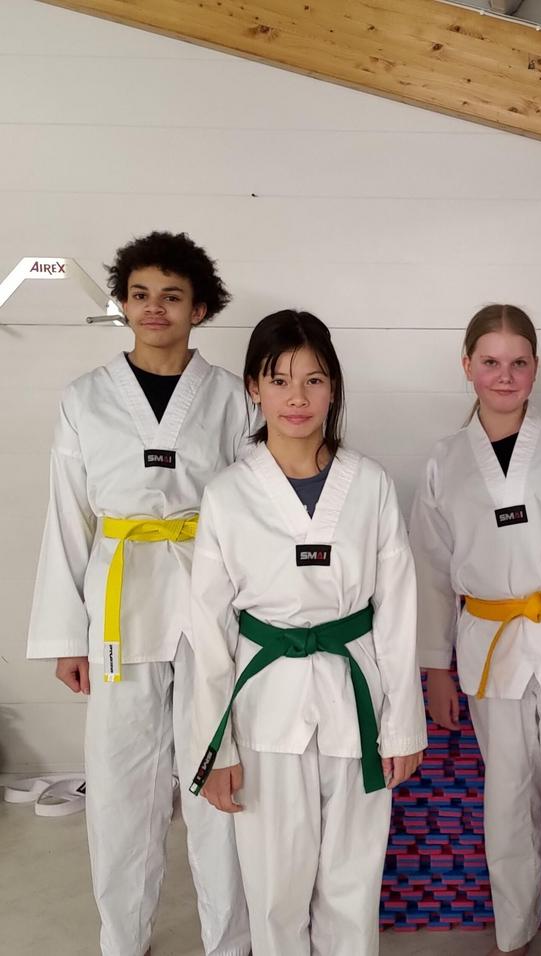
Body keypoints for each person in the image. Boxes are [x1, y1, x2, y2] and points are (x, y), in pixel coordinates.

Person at [26, 230, 251, 956]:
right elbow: (68, 517)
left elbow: (256, 509)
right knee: (123, 780)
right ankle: (123, 938)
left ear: (200, 308)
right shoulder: (85, 398)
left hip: (210, 597)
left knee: (218, 767)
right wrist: (66, 635)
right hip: (118, 604)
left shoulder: (231, 397)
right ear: (122, 303)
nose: (155, 309)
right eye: (141, 295)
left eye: (172, 297)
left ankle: (230, 938)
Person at [189, 310, 426, 954]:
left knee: (353, 883)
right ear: (253, 387)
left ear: (334, 388)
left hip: (357, 701)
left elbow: (398, 610)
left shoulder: (370, 484)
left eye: (314, 380)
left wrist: (403, 724)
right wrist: (216, 748)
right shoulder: (228, 494)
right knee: (275, 891)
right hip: (264, 710)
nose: (297, 397)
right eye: (279, 380)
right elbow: (208, 631)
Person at [409, 304, 541, 956]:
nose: (505, 375)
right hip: (491, 646)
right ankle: (514, 935)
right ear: (466, 365)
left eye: (519, 362)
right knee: (506, 803)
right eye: (491, 361)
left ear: (536, 367)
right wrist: (435, 667)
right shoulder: (445, 460)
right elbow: (431, 569)